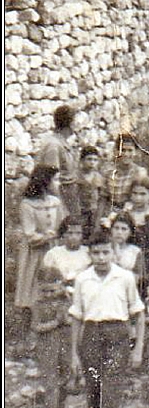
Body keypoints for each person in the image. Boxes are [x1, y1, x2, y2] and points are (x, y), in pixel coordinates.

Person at [70, 230, 145, 408]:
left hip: (117, 336)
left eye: (105, 252)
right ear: (89, 254)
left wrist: (138, 349)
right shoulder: (83, 279)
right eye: (96, 253)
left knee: (109, 396)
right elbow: (77, 318)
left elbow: (138, 313)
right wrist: (74, 354)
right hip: (91, 337)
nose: (101, 258)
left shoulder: (124, 277)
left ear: (113, 252)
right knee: (93, 395)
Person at [34, 217, 90, 408]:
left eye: (78, 232)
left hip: (70, 327)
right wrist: (54, 321)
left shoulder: (87, 254)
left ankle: (62, 398)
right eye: (69, 233)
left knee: (68, 374)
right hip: (48, 341)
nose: (74, 237)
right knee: (51, 380)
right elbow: (37, 325)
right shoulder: (53, 256)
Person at [15, 165, 67, 319]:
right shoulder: (27, 204)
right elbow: (29, 234)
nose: (58, 184)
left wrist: (60, 234)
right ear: (45, 182)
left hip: (54, 247)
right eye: (55, 180)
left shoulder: (55, 202)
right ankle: (31, 316)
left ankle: (56, 314)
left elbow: (62, 224)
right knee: (33, 281)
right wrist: (48, 236)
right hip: (35, 251)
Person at [35, 105, 78, 213]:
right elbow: (51, 180)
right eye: (75, 121)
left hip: (69, 196)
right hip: (60, 199)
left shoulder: (62, 142)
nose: (78, 124)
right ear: (70, 123)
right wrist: (61, 209)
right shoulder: (53, 145)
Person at [108, 133, 149, 210]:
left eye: (130, 150)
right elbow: (103, 199)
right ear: (117, 151)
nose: (126, 154)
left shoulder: (140, 173)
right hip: (111, 213)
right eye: (122, 150)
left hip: (131, 213)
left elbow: (143, 200)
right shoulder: (109, 172)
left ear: (136, 152)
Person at [77, 146, 107, 240]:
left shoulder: (99, 178)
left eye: (95, 160)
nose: (92, 162)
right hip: (80, 213)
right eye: (89, 159)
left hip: (94, 214)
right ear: (82, 160)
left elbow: (102, 199)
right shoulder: (76, 176)